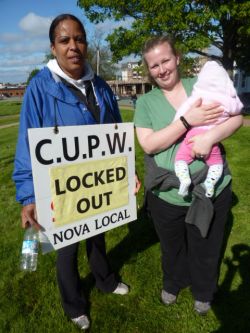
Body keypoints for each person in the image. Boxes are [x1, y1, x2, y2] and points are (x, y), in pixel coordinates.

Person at [13, 14, 139, 331]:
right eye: (65, 40)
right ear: (53, 47)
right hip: (60, 188)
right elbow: (27, 143)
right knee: (66, 248)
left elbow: (115, 132)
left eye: (79, 39)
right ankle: (73, 304)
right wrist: (28, 196)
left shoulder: (99, 85)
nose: (73, 46)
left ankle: (106, 281)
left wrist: (127, 169)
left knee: (98, 236)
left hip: (97, 185)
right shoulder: (39, 88)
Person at [134, 36, 243, 315]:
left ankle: (204, 290)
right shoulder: (145, 102)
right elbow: (149, 144)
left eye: (166, 60)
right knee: (171, 246)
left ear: (178, 58)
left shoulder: (202, 87)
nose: (162, 69)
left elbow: (235, 117)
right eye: (154, 65)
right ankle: (174, 281)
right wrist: (187, 121)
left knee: (206, 243)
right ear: (149, 70)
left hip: (210, 188)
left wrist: (210, 138)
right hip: (166, 194)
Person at [173, 60, 243, 198]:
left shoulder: (197, 97)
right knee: (217, 165)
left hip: (192, 136)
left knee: (180, 159)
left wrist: (175, 122)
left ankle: (184, 179)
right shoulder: (228, 101)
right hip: (213, 142)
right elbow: (238, 110)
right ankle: (210, 184)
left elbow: (181, 114)